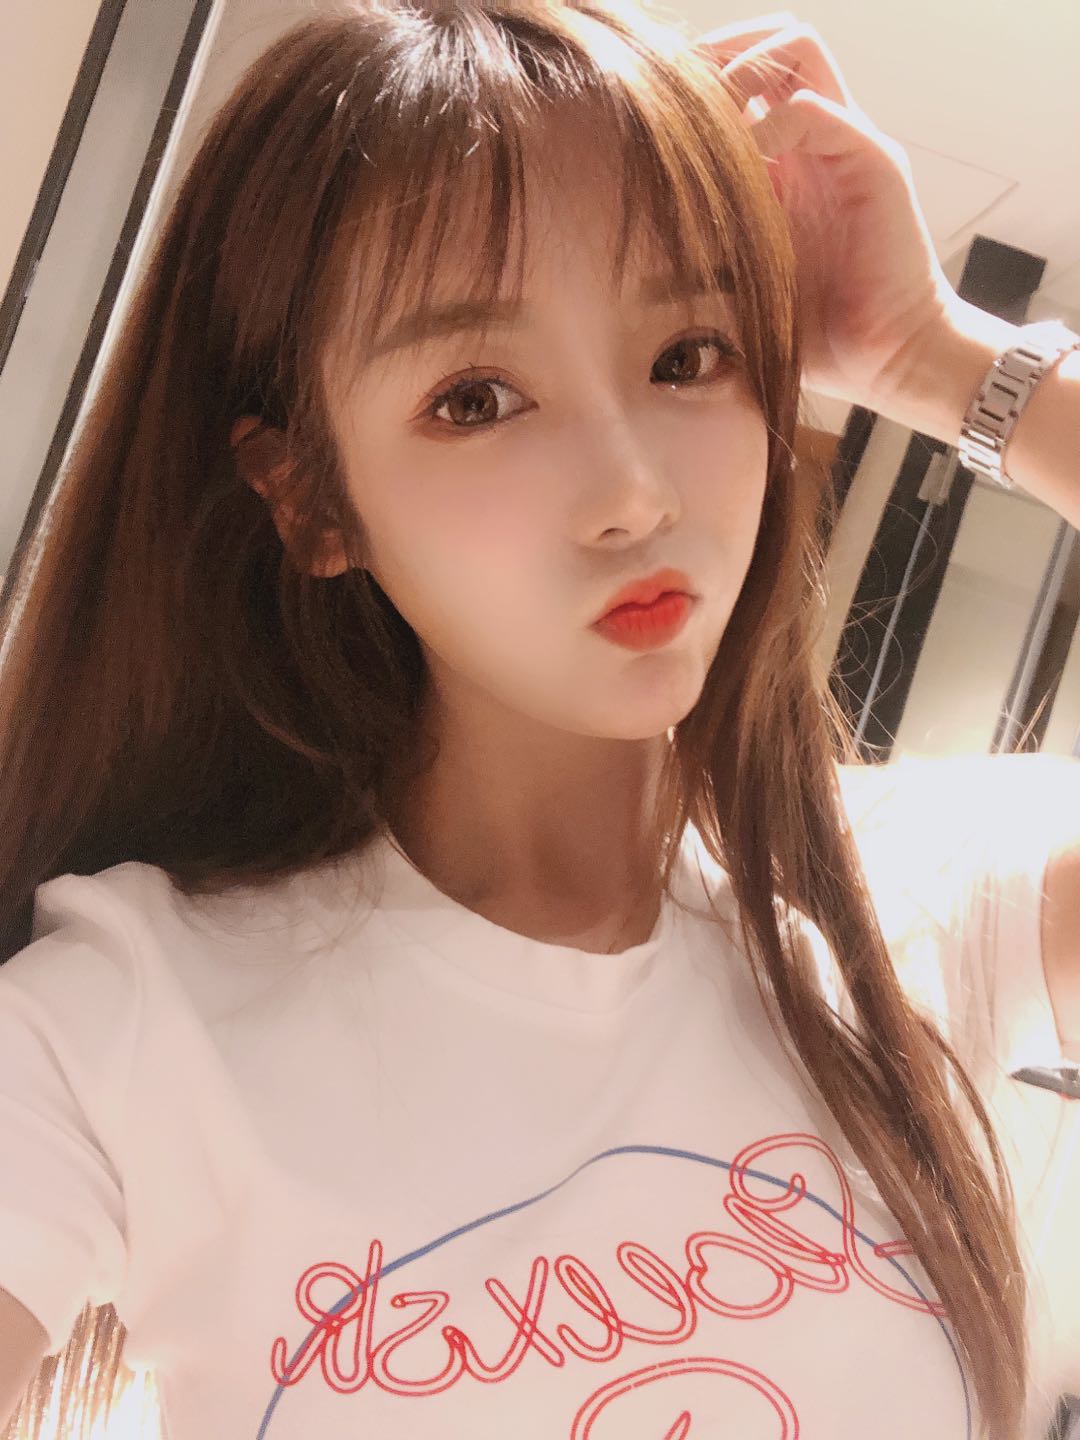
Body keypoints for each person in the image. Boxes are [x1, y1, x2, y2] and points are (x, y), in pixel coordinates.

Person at [1, 3, 1078, 1438]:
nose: (634, 492)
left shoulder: (916, 906)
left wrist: (934, 353)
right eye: (477, 398)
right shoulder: (128, 1022)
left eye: (688, 356)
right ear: (308, 497)